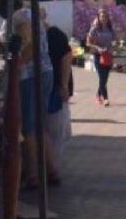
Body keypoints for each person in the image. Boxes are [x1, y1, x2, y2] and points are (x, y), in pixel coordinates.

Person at [0, 0, 59, 189]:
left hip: (32, 74)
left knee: (30, 126)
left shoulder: (20, 17)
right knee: (39, 123)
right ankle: (51, 169)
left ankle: (33, 174)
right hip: (44, 71)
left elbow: (29, 43)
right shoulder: (29, 15)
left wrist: (18, 62)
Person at [45, 27, 72, 166]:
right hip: (51, 88)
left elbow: (66, 57)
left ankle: (52, 166)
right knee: (56, 131)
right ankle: (51, 166)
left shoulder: (53, 34)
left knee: (57, 131)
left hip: (55, 89)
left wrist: (64, 86)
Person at [86, 9, 116, 107]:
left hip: (108, 55)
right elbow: (88, 42)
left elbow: (114, 41)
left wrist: (113, 47)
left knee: (105, 78)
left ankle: (98, 95)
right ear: (98, 17)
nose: (104, 18)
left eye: (106, 16)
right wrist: (97, 47)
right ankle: (106, 98)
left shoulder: (110, 29)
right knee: (101, 77)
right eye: (102, 16)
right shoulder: (94, 29)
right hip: (98, 55)